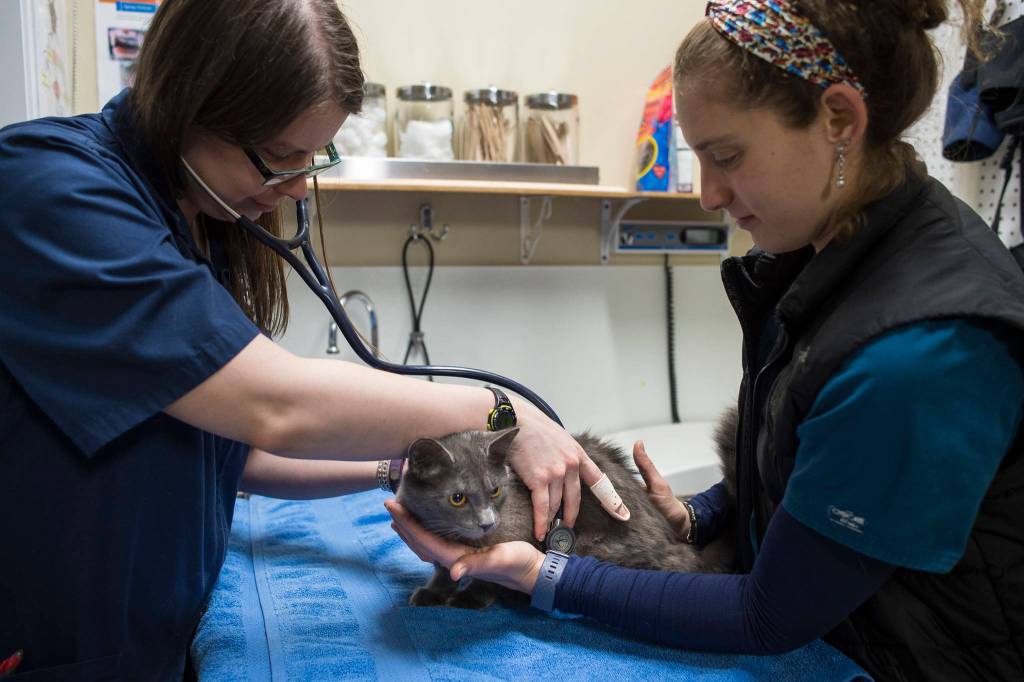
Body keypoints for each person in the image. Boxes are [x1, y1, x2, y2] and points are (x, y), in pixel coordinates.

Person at [387, 1, 1024, 679]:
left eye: (726, 156)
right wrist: (702, 514)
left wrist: (545, 574)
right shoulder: (834, 251)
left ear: (839, 119)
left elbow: (768, 614)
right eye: (696, 157)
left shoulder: (924, 348)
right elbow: (817, 472)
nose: (707, 194)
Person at [0, 0, 626, 677]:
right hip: (56, 646)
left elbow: (234, 453)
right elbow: (277, 407)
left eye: (313, 157)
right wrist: (501, 411)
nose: (297, 188)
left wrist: (396, 473)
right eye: (277, 157)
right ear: (186, 102)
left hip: (155, 638)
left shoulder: (191, 216)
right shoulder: (50, 192)